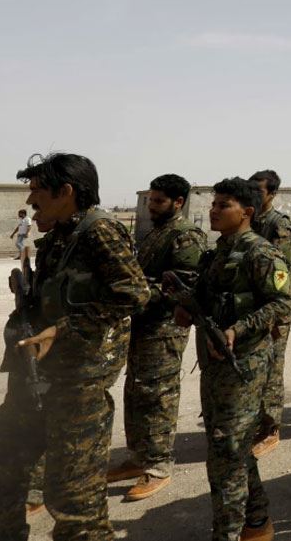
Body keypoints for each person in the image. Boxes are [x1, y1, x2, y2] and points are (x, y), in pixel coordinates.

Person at [0, 152, 150, 541]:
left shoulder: (99, 230)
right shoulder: (61, 236)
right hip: (36, 381)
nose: (30, 198)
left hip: (77, 387)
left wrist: (61, 330)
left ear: (65, 191)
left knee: (75, 508)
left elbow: (134, 294)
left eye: (38, 190)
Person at [178, 178, 291, 541]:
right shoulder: (217, 253)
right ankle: (257, 520)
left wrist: (238, 329)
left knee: (227, 452)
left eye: (223, 205)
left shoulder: (261, 253)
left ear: (247, 212)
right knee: (229, 448)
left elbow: (281, 304)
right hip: (215, 364)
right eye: (214, 204)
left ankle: (227, 532)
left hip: (245, 366)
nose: (214, 210)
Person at [107, 174, 206, 501]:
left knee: (158, 395)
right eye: (150, 200)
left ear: (178, 202)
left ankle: (159, 466)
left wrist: (136, 292)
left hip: (165, 329)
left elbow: (184, 287)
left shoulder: (186, 236)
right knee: (136, 390)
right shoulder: (157, 232)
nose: (152, 206)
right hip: (142, 324)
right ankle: (138, 457)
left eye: (159, 201)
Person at [248, 169, 291, 458]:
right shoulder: (250, 220)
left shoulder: (278, 226)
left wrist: (278, 316)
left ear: (272, 194)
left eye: (260, 190)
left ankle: (271, 428)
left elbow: (285, 275)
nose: (254, 194)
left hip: (274, 313)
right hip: (252, 312)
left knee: (271, 371)